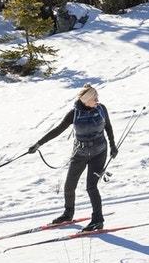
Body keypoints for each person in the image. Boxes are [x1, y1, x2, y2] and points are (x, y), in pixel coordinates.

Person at [29, 84, 118, 232]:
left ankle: (98, 220)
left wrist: (113, 146)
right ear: (86, 100)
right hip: (80, 154)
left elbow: (108, 126)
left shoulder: (101, 109)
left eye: (97, 98)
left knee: (91, 186)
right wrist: (38, 144)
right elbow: (57, 130)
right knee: (69, 186)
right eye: (94, 98)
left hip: (99, 152)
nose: (97, 100)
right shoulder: (74, 114)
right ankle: (68, 214)